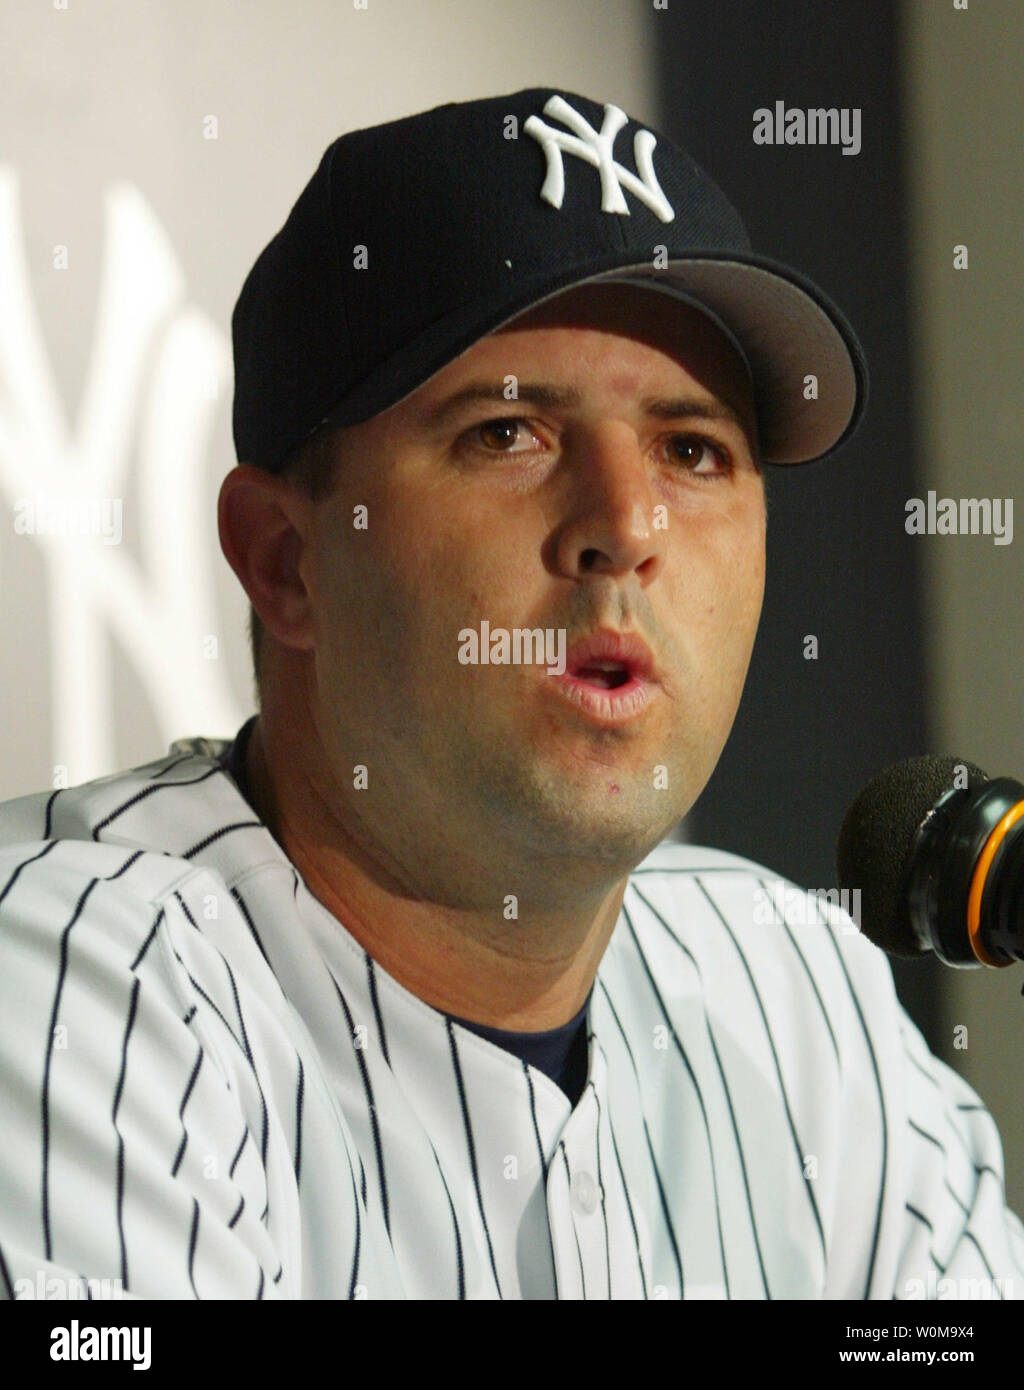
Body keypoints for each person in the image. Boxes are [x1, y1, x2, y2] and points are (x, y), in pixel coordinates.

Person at [1, 87, 1021, 1301]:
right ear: (286, 561)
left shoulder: (796, 992)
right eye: (507, 433)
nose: (626, 527)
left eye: (692, 451)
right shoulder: (73, 977)